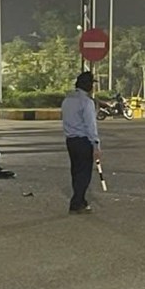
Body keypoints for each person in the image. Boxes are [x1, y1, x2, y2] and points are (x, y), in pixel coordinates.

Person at [61, 71, 101, 214]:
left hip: (70, 141)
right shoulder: (87, 102)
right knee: (84, 173)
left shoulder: (67, 100)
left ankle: (81, 199)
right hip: (84, 141)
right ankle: (76, 202)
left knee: (76, 171)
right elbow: (91, 125)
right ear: (89, 86)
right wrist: (96, 144)